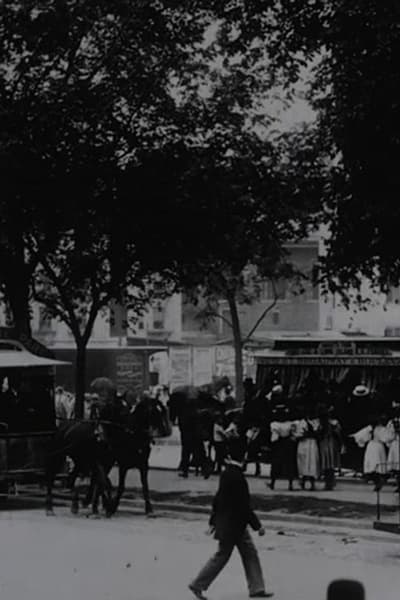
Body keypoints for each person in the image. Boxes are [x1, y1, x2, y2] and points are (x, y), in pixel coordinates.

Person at [189, 445, 273, 600]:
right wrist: (258, 526)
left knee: (247, 553)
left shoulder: (227, 474)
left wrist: (213, 521)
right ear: (242, 458)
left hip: (230, 524)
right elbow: (244, 506)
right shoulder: (238, 477)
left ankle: (257, 588)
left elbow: (218, 500)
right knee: (226, 555)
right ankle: (197, 584)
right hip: (235, 526)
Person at [294, 406, 320, 491]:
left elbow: (317, 433)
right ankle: (305, 482)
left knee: (311, 462)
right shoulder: (303, 422)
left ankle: (310, 483)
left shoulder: (316, 422)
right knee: (306, 462)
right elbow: (299, 434)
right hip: (306, 443)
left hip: (310, 443)